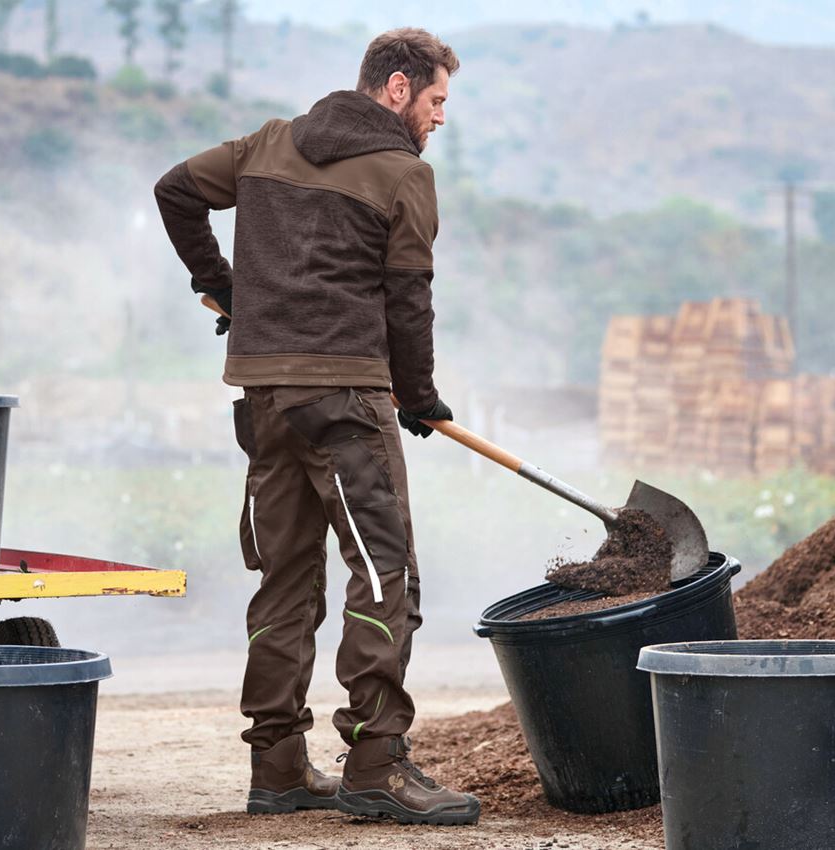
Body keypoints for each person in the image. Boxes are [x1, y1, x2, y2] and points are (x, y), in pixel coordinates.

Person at [154, 27, 480, 826]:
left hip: (265, 400)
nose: (441, 118)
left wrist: (224, 288)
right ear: (397, 89)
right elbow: (408, 301)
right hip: (345, 403)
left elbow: (174, 190)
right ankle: (375, 765)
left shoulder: (266, 145)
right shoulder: (406, 176)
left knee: (286, 578)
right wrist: (420, 395)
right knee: (384, 575)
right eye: (437, 100)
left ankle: (279, 767)